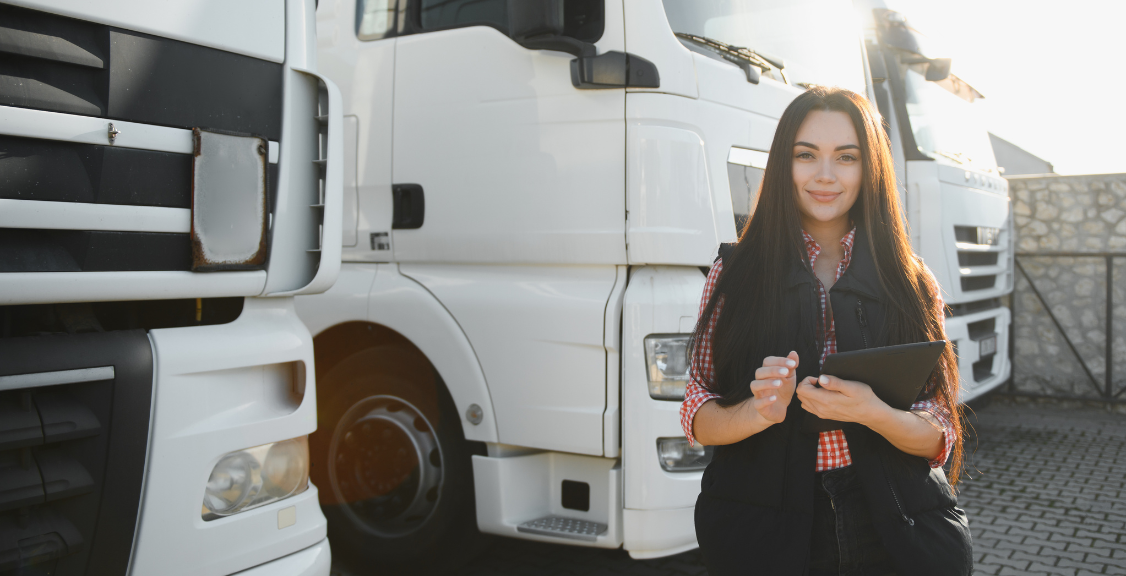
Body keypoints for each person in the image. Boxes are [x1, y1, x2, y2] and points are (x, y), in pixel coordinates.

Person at [682, 86, 972, 576]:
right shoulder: (734, 273)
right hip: (764, 532)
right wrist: (756, 412)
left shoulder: (912, 279)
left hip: (893, 526)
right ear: (782, 165)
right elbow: (696, 410)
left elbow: (937, 434)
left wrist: (874, 413)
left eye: (846, 157)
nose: (825, 175)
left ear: (870, 168)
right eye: (806, 155)